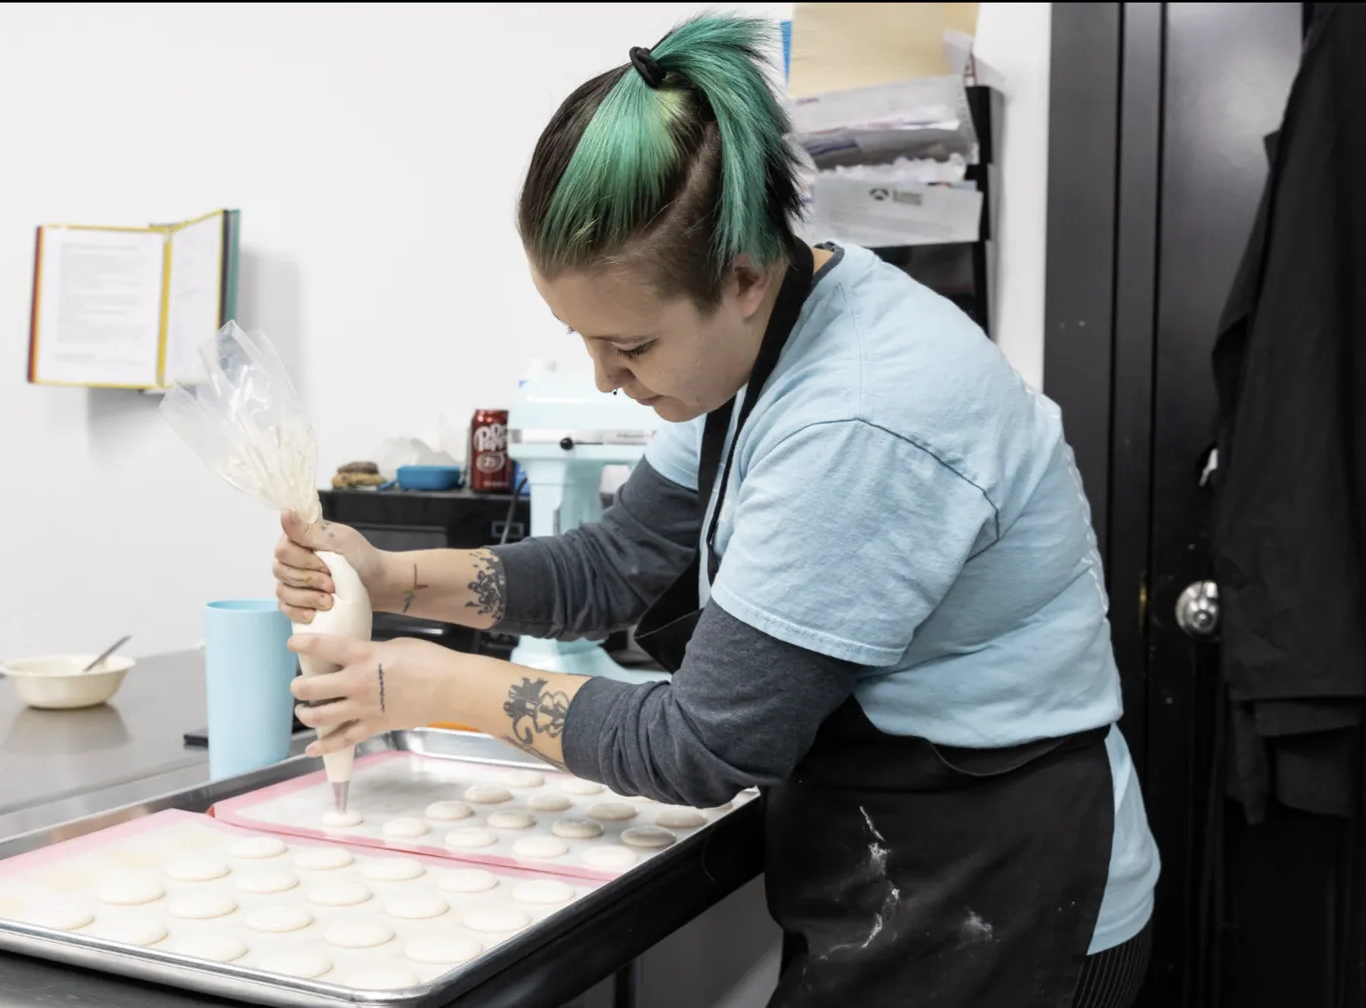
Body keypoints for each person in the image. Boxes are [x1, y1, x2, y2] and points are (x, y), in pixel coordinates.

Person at [274, 13, 1159, 1007]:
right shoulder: (769, 336)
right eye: (583, 338)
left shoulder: (860, 418)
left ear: (741, 275)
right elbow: (616, 565)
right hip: (897, 861)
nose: (605, 378)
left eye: (634, 347)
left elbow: (703, 745)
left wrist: (428, 686)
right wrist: (393, 577)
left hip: (1003, 889)